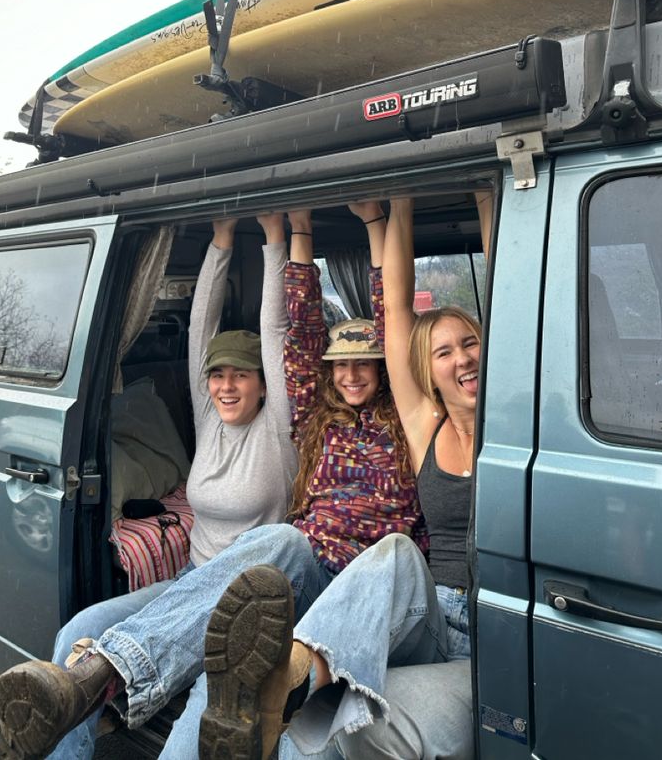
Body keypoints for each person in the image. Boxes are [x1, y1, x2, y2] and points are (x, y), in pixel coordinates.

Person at [0, 206, 426, 760]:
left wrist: (278, 234)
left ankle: (119, 667)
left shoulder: (303, 425)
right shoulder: (240, 418)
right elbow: (211, 331)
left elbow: (287, 330)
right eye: (217, 374)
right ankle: (81, 703)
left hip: (272, 595)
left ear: (267, 384)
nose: (226, 384)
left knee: (214, 702)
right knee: (81, 627)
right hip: (195, 584)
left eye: (241, 373)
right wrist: (219, 240)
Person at [199, 196, 480, 760]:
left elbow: (392, 314)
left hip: (386, 590)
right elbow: (299, 332)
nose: (351, 374)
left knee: (396, 553)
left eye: (365, 363)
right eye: (340, 364)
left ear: (384, 368)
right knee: (279, 544)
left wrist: (382, 220)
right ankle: (283, 681)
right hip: (318, 575)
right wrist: (295, 230)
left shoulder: (406, 421)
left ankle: (294, 679)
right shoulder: (311, 415)